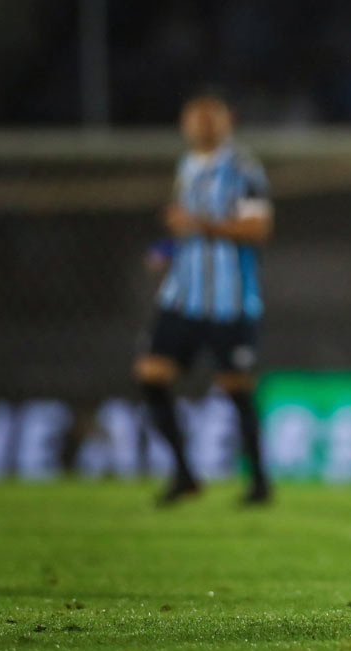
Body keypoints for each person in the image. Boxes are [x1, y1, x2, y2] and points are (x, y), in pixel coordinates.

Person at [134, 94, 273, 506]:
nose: (202, 126)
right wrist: (167, 246)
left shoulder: (243, 169)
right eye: (195, 119)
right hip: (182, 297)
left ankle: (260, 483)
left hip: (228, 301)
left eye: (210, 118)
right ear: (184, 124)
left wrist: (196, 224)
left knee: (236, 388)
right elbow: (187, 229)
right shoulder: (186, 168)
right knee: (150, 374)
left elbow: (257, 228)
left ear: (226, 122)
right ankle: (184, 473)